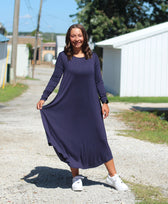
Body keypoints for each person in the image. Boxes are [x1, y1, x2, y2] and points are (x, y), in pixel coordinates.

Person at [36, 24, 128, 192]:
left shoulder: (92, 58)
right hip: (69, 106)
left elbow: (98, 81)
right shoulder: (64, 57)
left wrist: (104, 101)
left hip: (91, 106)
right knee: (73, 140)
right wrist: (44, 97)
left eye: (79, 35)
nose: (76, 39)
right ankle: (76, 177)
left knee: (100, 138)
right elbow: (55, 78)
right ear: (68, 38)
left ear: (84, 37)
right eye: (73, 36)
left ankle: (113, 177)